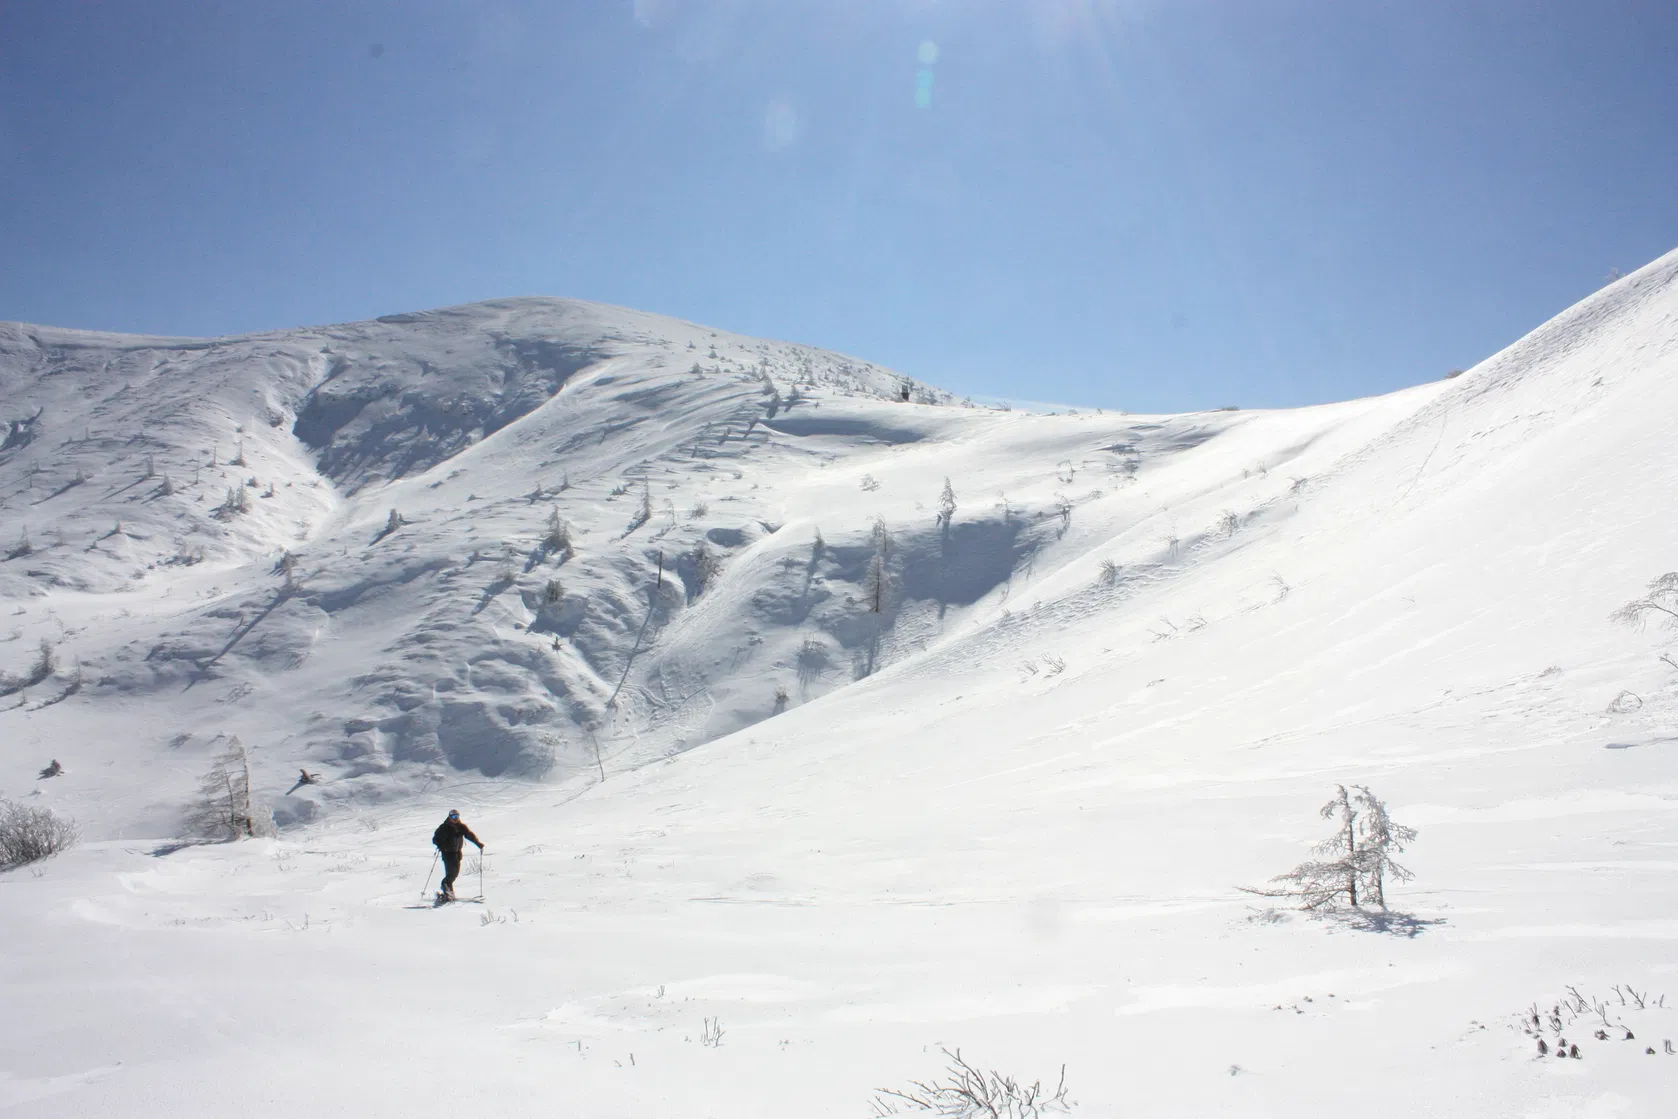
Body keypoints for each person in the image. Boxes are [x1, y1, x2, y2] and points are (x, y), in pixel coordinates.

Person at [431, 809, 483, 902]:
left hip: (457, 853)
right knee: (451, 873)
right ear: (450, 817)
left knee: (455, 873)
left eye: (457, 817)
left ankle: (448, 891)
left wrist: (478, 844)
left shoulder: (461, 827)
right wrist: (441, 845)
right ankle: (446, 886)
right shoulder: (444, 827)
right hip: (447, 853)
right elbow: (435, 839)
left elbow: (469, 835)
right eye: (454, 817)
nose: (456, 819)